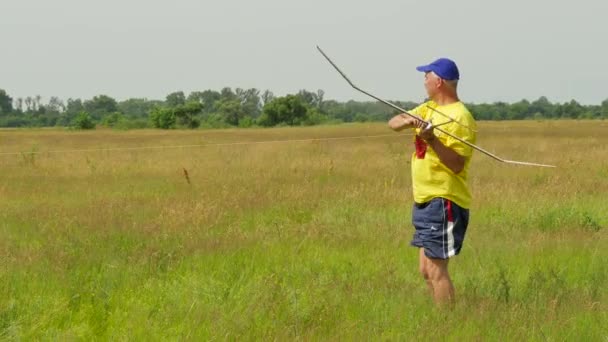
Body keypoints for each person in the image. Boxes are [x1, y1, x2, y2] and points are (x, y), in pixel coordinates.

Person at [388, 58, 477, 306]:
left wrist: (432, 140)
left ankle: (447, 325)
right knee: (426, 271)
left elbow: (457, 164)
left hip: (444, 199)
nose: (423, 81)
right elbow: (392, 123)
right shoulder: (428, 108)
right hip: (424, 199)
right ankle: (441, 319)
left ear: (438, 81)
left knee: (437, 271)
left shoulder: (460, 117)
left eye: (426, 76)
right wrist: (407, 121)